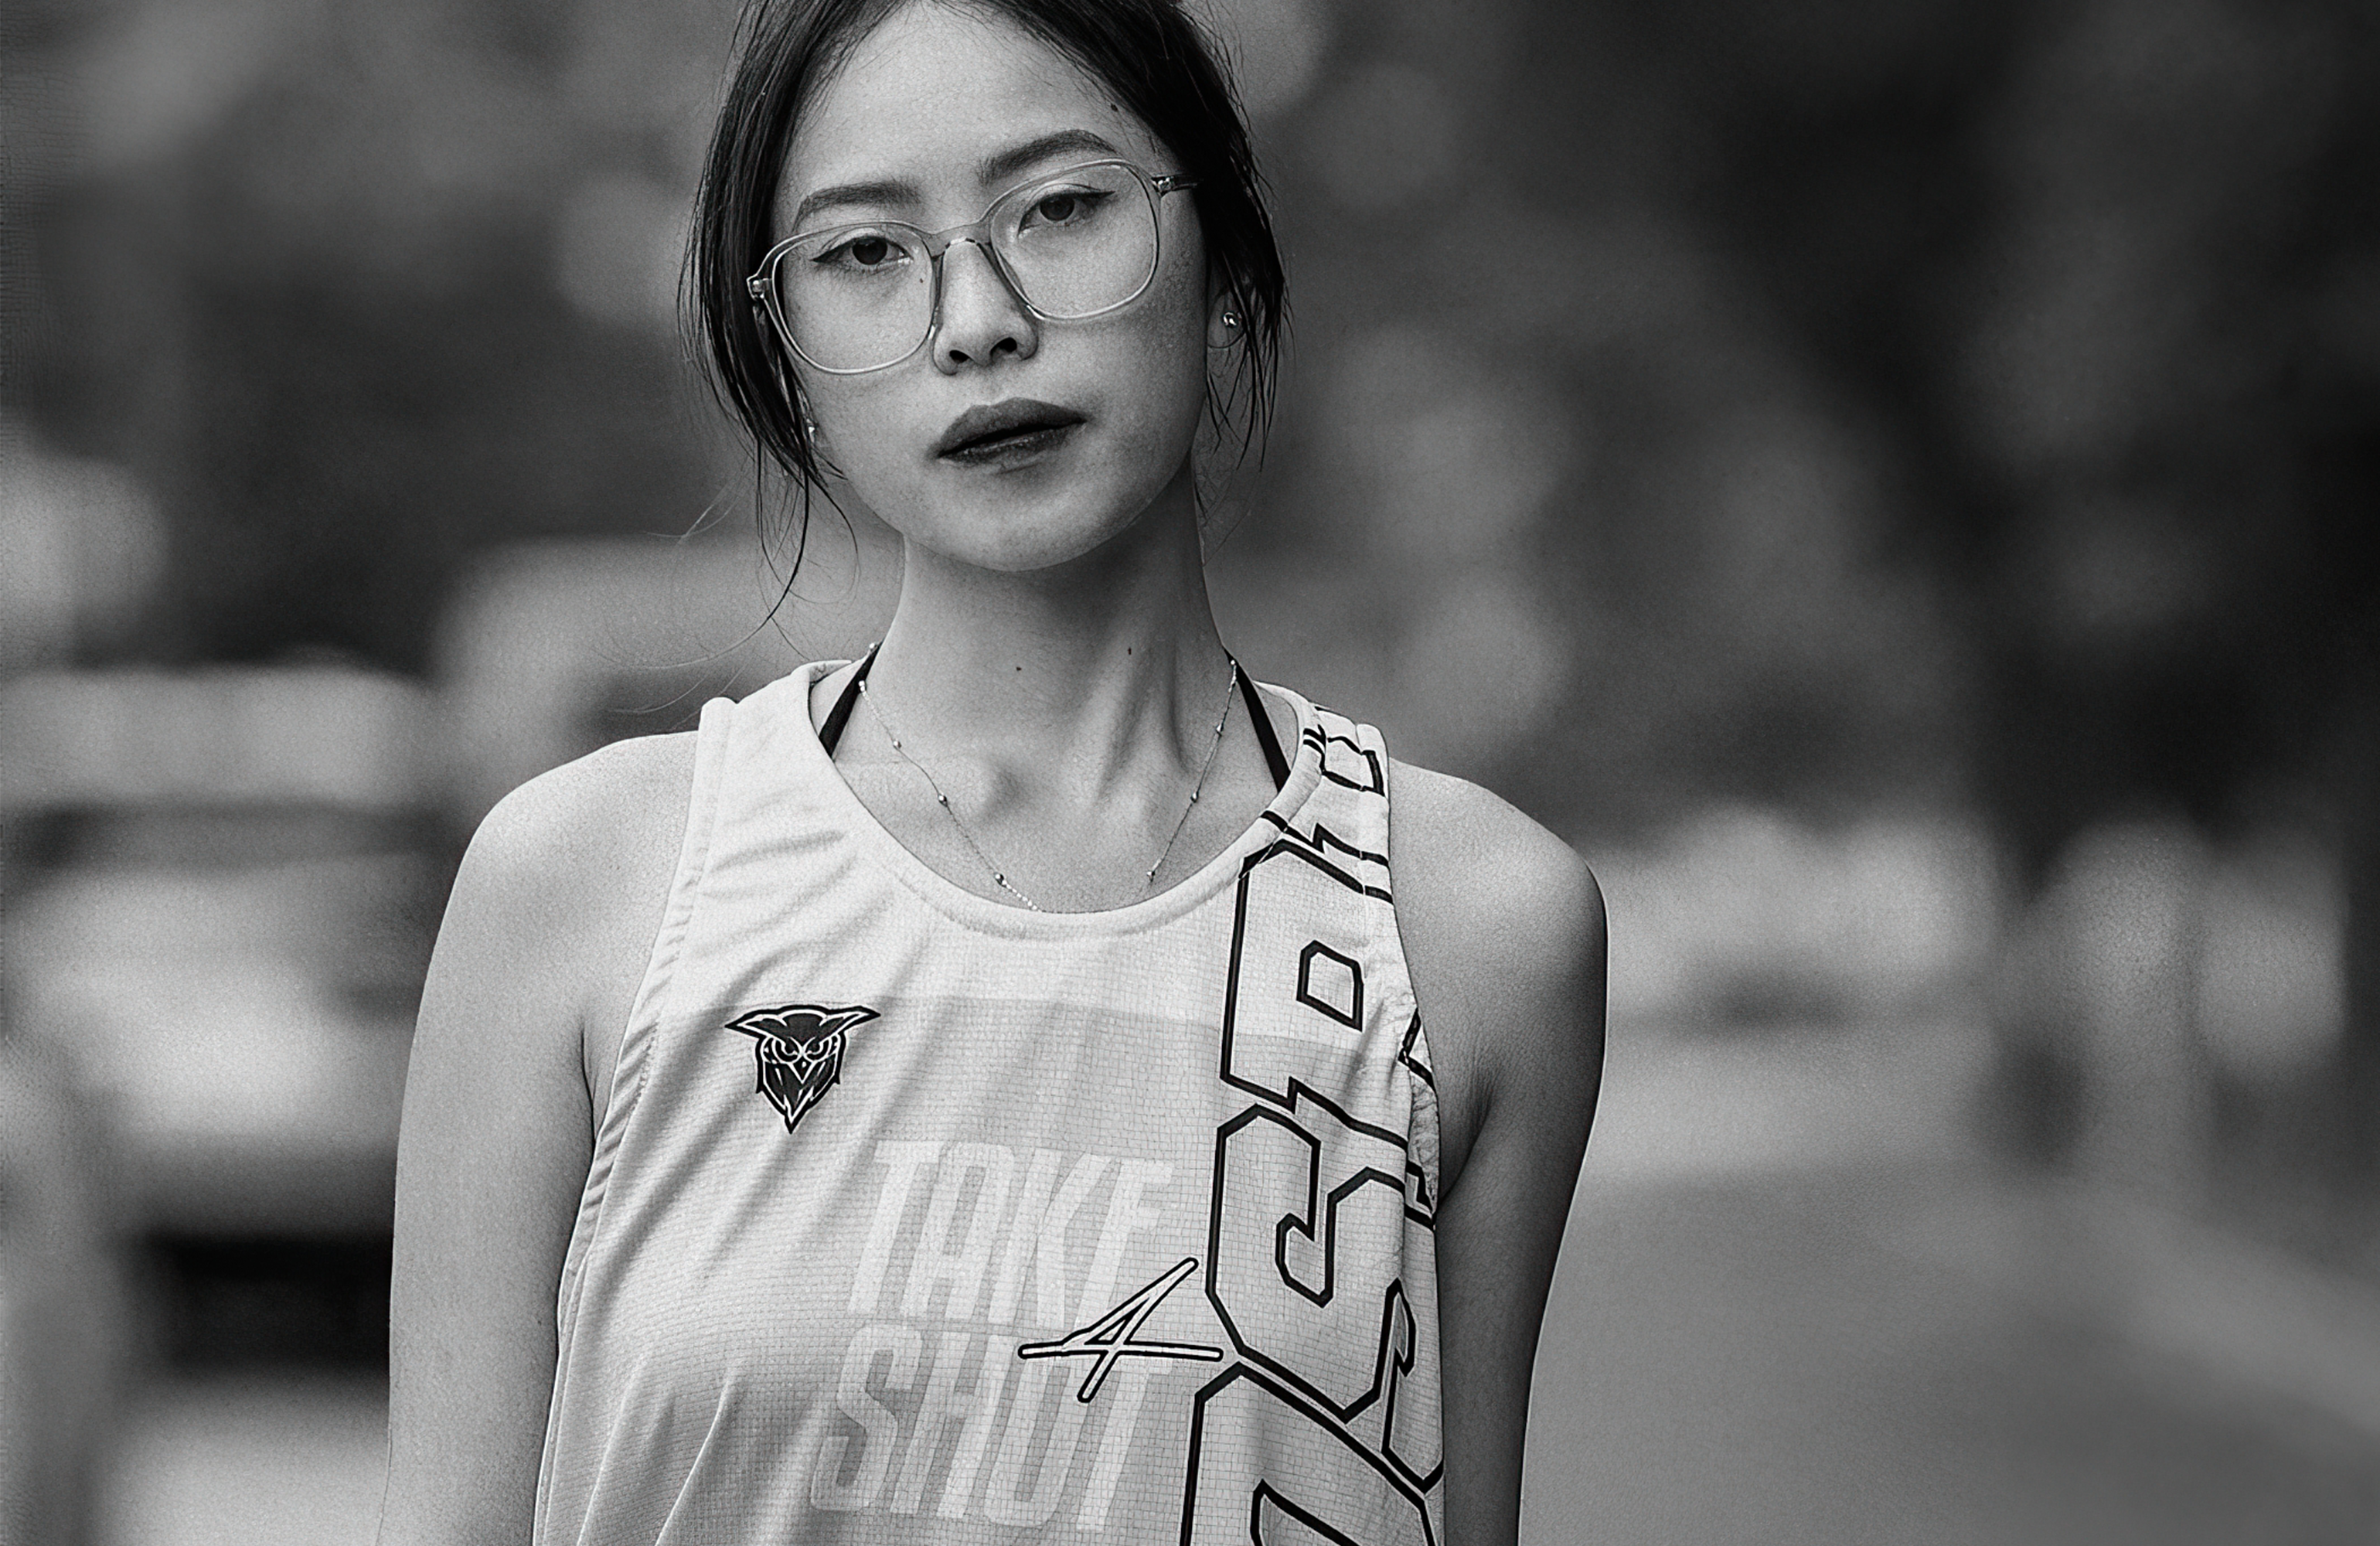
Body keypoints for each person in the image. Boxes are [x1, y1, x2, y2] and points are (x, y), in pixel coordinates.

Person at [381, 0, 1604, 1540]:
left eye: (1064, 207)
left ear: (1222, 257)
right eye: (864, 253)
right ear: (789, 351)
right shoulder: (585, 887)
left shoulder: (1468, 926)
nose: (976, 318)